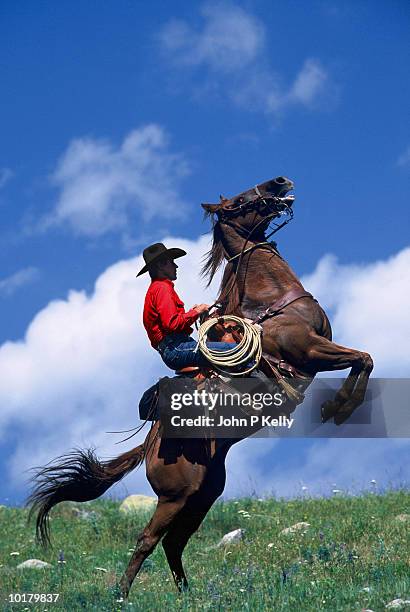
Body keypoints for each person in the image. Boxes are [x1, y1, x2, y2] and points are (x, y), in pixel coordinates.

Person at [137, 242, 237, 371]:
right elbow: (172, 324)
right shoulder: (162, 288)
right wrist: (196, 312)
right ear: (161, 265)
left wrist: (193, 312)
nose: (176, 266)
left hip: (174, 347)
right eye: (171, 262)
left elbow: (171, 322)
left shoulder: (157, 289)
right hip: (177, 348)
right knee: (236, 351)